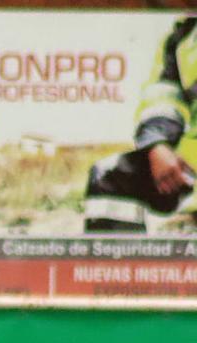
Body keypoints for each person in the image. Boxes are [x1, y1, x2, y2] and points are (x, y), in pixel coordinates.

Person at [84, 14, 197, 232]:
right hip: (191, 168)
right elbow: (164, 97)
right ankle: (114, 263)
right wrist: (157, 144)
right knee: (111, 174)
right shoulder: (184, 38)